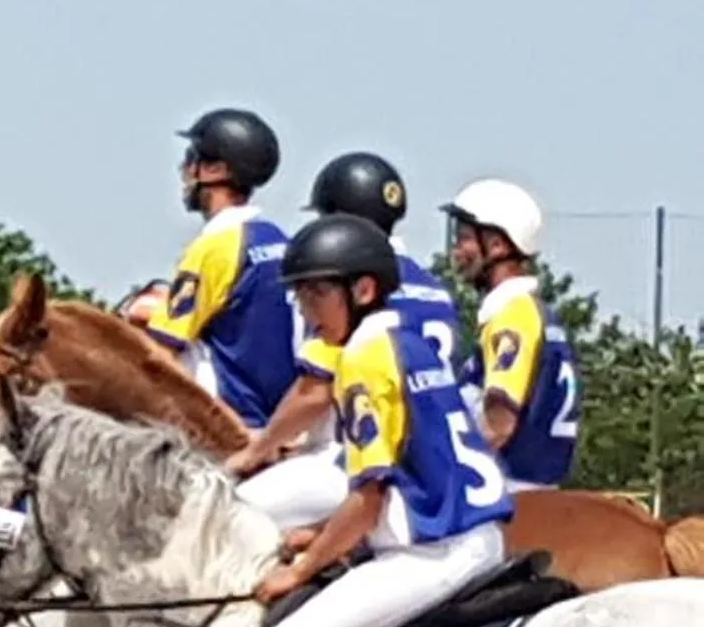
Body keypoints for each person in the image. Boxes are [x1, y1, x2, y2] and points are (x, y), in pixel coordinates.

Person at [246, 213, 513, 627]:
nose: (305, 311)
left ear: (361, 288)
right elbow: (395, 482)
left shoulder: (363, 358)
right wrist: (318, 539)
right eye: (300, 296)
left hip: (437, 551)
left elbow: (365, 497)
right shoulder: (403, 340)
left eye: (315, 295)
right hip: (471, 533)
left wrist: (297, 571)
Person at [229, 151, 466, 529]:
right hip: (434, 463)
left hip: (351, 458)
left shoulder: (347, 284)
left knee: (224, 517)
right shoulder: (436, 290)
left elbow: (315, 393)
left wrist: (257, 450)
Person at [144, 107, 299, 430]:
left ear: (215, 169)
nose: (186, 171)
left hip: (230, 426)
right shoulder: (282, 241)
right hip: (284, 424)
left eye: (193, 158)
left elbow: (162, 350)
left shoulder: (213, 246)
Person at [443, 179, 580, 490]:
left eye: (464, 239)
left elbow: (499, 424)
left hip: (508, 486)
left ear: (496, 245)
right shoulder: (536, 313)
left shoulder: (512, 316)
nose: (456, 251)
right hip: (535, 484)